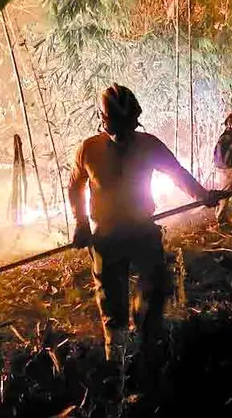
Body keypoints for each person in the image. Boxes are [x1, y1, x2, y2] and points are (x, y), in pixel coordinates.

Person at [68, 84, 218, 365]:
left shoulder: (149, 145)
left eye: (127, 125)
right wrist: (80, 223)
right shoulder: (88, 150)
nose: (122, 132)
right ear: (103, 120)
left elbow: (178, 174)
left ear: (135, 119)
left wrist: (203, 195)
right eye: (116, 124)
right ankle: (119, 363)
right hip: (106, 236)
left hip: (141, 230)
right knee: (112, 304)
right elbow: (75, 187)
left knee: (154, 288)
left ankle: (148, 347)